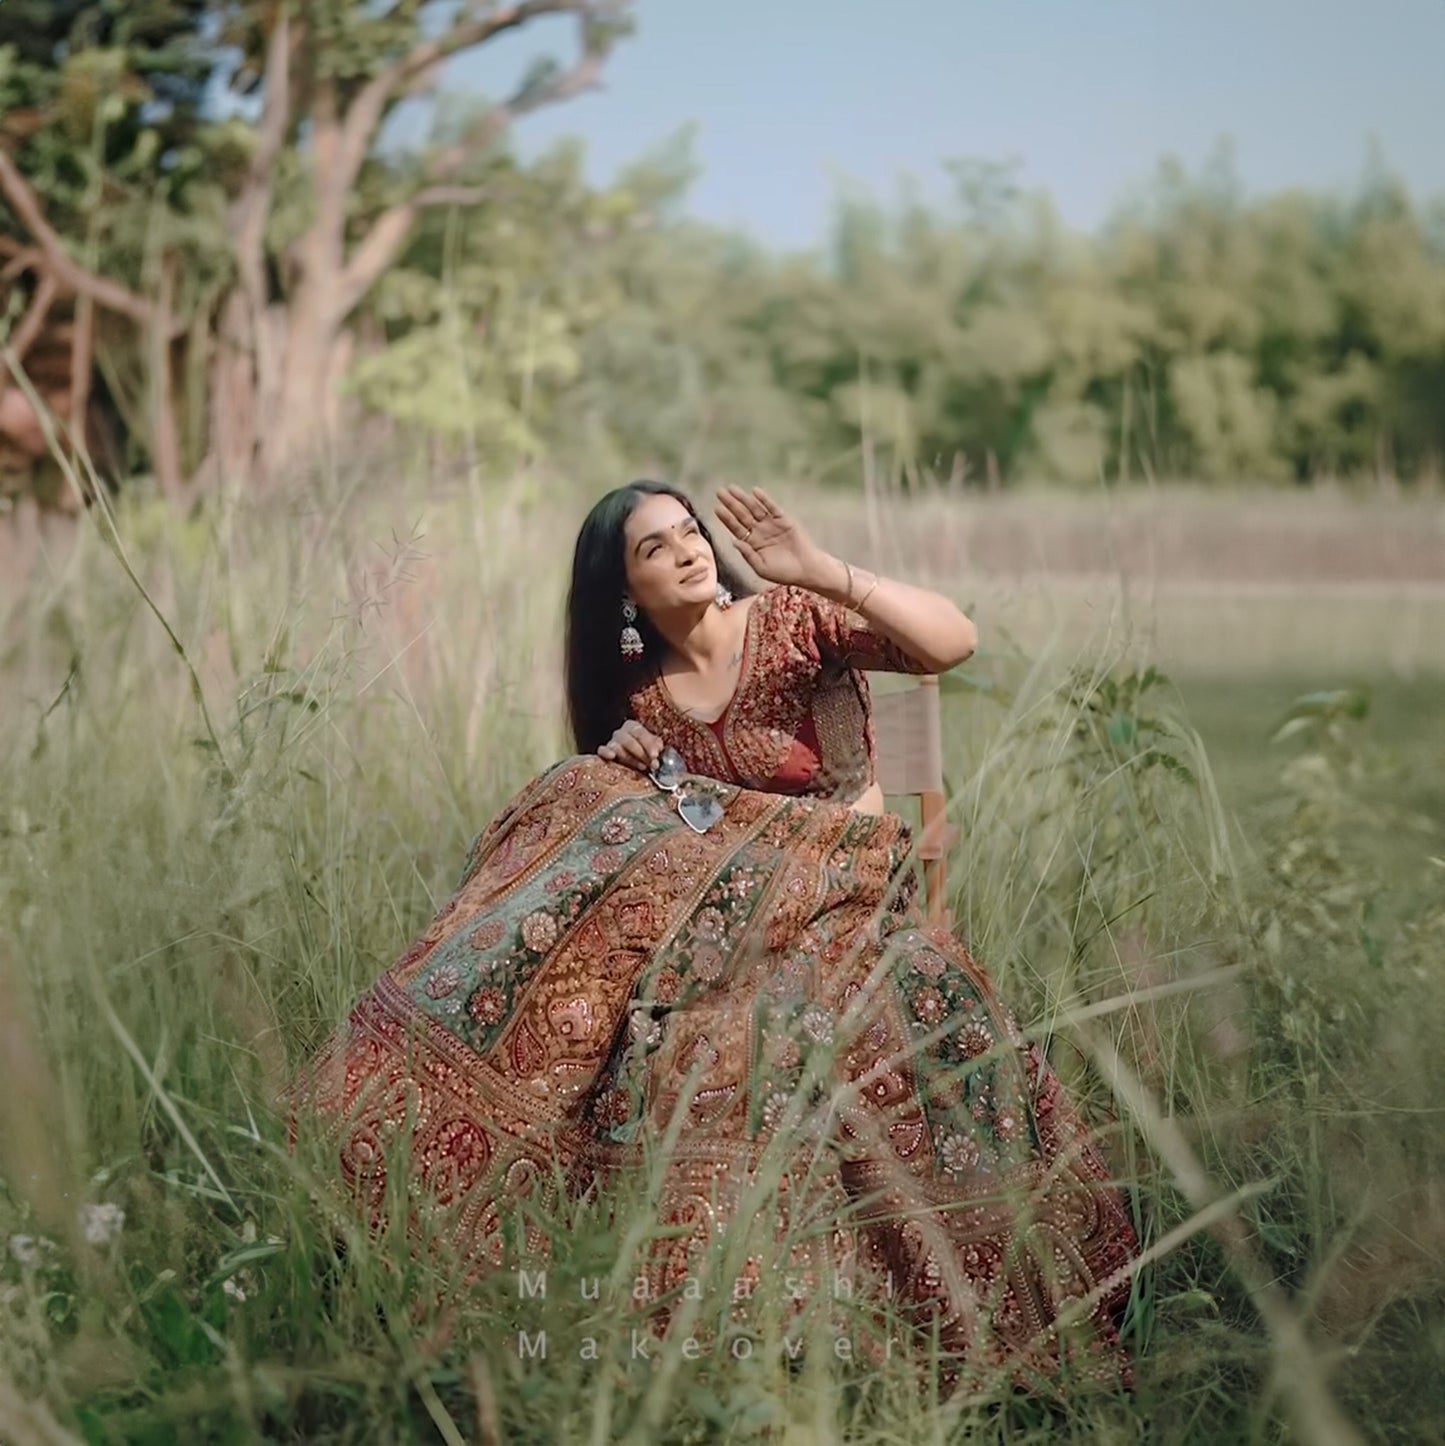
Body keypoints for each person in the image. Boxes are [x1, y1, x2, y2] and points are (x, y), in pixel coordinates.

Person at [287, 481, 1139, 1398]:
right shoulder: (645, 701)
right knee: (582, 809)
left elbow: (951, 644)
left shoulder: (793, 620)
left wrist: (817, 568)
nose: (689, 550)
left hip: (855, 903)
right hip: (738, 927)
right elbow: (673, 852)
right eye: (656, 547)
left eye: (691, 532)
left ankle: (867, 1333)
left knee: (761, 1031)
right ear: (624, 593)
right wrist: (623, 774)